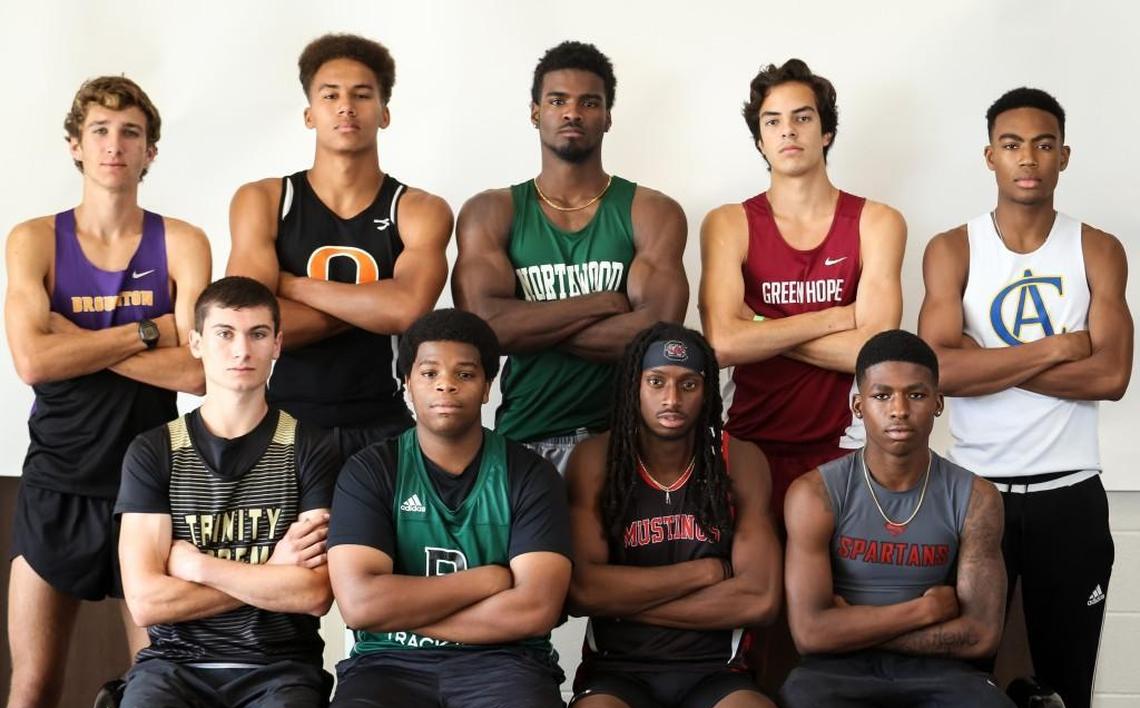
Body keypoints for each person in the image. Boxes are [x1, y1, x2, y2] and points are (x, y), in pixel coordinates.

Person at [918, 87, 1133, 708]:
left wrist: (991, 360)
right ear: (989, 156)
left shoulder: (1096, 248)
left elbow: (1111, 377)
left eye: (1043, 143)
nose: (1028, 158)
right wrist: (1053, 347)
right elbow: (939, 372)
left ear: (1064, 155)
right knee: (963, 687)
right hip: (977, 496)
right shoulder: (954, 248)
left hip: (1072, 494)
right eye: (1012, 144)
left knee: (1068, 690)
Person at [1, 75, 210, 708]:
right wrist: (148, 331)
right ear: (75, 145)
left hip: (148, 489)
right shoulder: (34, 240)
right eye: (100, 131)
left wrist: (79, 342)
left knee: (157, 690)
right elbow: (32, 361)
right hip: (56, 482)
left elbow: (198, 371)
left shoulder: (180, 241)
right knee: (32, 688)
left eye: (130, 133)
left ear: (150, 150)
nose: (115, 145)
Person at [315, 309, 573, 708]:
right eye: (429, 372)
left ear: (487, 386)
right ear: (407, 384)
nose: (445, 385)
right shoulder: (372, 470)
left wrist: (397, 613)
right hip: (389, 665)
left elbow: (535, 609)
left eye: (464, 373)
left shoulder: (529, 474)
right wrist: (487, 580)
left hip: (505, 666)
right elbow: (359, 605)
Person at [779, 329, 1042, 708]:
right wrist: (923, 611)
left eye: (916, 395)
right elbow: (811, 634)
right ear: (858, 406)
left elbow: (979, 636)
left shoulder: (975, 497)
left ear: (938, 402)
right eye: (882, 396)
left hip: (943, 677)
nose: (899, 410)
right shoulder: (816, 493)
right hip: (836, 678)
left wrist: (854, 628)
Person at [113, 276, 337, 708]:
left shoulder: (310, 446)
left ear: (277, 344)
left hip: (279, 665)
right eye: (224, 333)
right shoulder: (154, 451)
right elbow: (147, 603)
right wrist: (271, 573)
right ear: (196, 342)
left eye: (258, 333)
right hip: (175, 663)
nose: (242, 350)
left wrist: (198, 567)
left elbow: (314, 593)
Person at [453, 40, 687, 473]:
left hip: (623, 441)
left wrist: (525, 321)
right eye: (558, 100)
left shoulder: (650, 211)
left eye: (589, 102)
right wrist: (601, 303)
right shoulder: (491, 211)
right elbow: (485, 332)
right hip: (525, 436)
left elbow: (653, 338)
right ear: (535, 112)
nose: (572, 113)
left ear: (608, 117)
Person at [227, 32, 451, 460]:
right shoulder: (264, 200)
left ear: (384, 114)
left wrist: (290, 286)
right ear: (309, 114)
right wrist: (374, 302)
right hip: (281, 423)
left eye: (362, 95)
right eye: (330, 95)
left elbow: (406, 311)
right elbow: (250, 327)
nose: (346, 106)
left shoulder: (418, 208)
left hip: (383, 421)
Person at [700, 58, 905, 522]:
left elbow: (872, 354)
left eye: (802, 117)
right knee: (756, 589)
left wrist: (761, 327)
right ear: (760, 140)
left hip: (845, 444)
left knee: (836, 590)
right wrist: (836, 317)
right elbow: (723, 344)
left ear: (826, 132)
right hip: (748, 441)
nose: (788, 131)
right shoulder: (729, 222)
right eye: (773, 121)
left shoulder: (877, 222)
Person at [565, 323, 784, 708]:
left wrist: (628, 603)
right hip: (618, 671)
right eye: (656, 382)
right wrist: (702, 573)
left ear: (707, 392)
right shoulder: (595, 461)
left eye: (688, 384)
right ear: (634, 387)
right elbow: (583, 590)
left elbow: (760, 600)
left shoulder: (738, 459)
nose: (671, 399)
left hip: (714, 672)